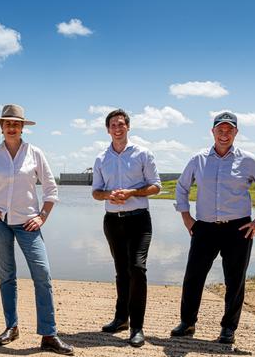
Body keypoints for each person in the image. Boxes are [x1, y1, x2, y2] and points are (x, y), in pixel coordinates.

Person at [0, 104, 74, 356]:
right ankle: (11, 327)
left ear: (23, 126)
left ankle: (49, 334)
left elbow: (51, 190)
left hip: (29, 223)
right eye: (7, 123)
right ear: (1, 127)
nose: (12, 127)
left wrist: (42, 217)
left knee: (42, 273)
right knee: (7, 276)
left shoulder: (35, 153)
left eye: (16, 123)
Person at [171, 112, 255, 344]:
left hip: (238, 229)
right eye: (220, 130)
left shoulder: (248, 160)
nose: (224, 134)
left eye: (229, 130)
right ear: (212, 132)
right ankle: (187, 323)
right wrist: (186, 218)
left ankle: (228, 328)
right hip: (204, 229)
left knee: (235, 280)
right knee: (193, 276)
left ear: (236, 133)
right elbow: (181, 188)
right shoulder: (197, 160)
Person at [91, 109, 161, 347]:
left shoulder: (143, 153)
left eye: (121, 124)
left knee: (137, 269)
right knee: (122, 271)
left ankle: (137, 327)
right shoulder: (101, 158)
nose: (117, 128)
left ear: (128, 127)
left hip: (140, 220)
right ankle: (121, 318)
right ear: (107, 129)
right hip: (113, 222)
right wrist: (109, 195)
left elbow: (156, 187)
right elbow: (95, 193)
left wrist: (132, 192)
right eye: (113, 125)